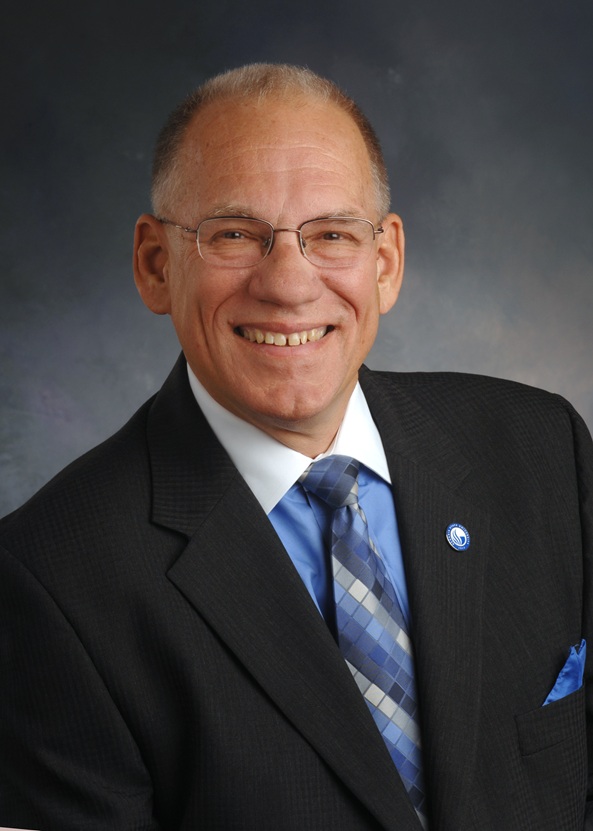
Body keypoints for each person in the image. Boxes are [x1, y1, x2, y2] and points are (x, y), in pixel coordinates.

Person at [0, 63, 591, 831]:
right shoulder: (48, 582)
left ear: (385, 262)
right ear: (154, 264)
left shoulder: (542, 449)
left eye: (332, 234)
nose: (288, 283)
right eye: (235, 234)